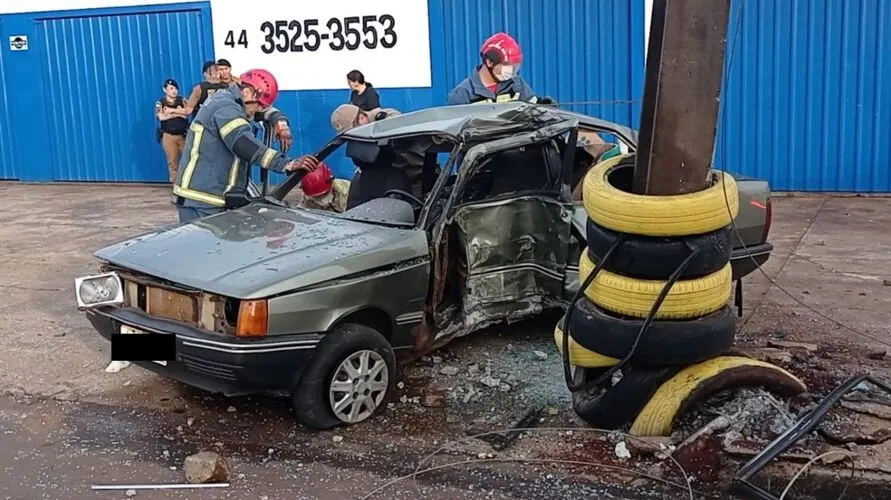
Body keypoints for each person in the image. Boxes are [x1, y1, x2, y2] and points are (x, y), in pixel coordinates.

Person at [172, 68, 319, 223]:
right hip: (201, 200)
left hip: (209, 197)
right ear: (248, 93)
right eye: (260, 105)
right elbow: (244, 145)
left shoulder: (231, 99)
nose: (260, 111)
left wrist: (280, 122)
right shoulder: (226, 109)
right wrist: (286, 164)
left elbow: (266, 110)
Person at [447, 32, 555, 106]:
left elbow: (533, 110)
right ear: (489, 62)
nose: (511, 71)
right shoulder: (462, 95)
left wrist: (545, 108)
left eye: (514, 67)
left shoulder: (517, 86)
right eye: (507, 65)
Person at [155, 78, 189, 182]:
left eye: (175, 88)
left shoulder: (182, 100)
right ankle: (175, 183)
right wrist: (178, 113)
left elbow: (187, 113)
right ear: (165, 90)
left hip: (183, 135)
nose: (174, 91)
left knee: (188, 159)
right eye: (171, 88)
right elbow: (161, 117)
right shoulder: (160, 103)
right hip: (168, 136)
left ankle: (187, 183)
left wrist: (171, 111)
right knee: (173, 161)